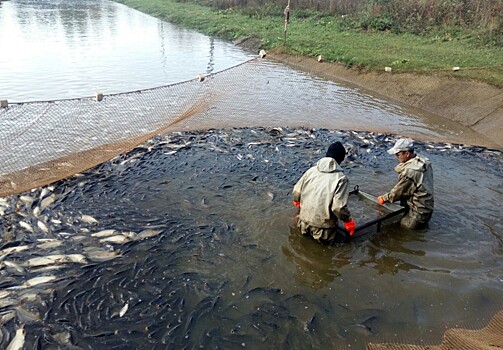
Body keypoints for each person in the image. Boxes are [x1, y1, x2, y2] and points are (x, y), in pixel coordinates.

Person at [292, 141, 356, 242]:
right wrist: (348, 221)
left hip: (303, 223)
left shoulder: (311, 170)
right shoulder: (341, 178)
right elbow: (338, 208)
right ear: (341, 160)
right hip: (323, 230)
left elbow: (296, 191)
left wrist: (297, 201)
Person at [377, 138, 434, 229]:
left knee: (403, 228)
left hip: (417, 214)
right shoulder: (423, 160)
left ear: (407, 154)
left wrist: (383, 198)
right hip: (426, 207)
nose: (396, 157)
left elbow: (398, 192)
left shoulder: (410, 172)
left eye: (398, 154)